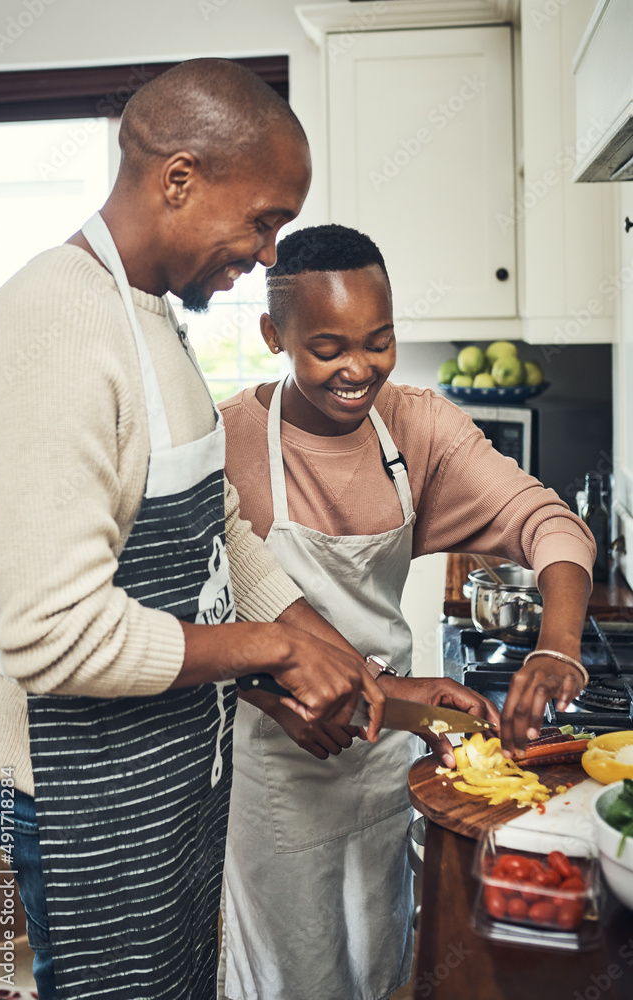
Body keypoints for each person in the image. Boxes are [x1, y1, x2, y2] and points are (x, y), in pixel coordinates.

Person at [0, 64, 392, 1000]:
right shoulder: (58, 327)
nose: (268, 251)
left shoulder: (153, 319)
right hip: (69, 817)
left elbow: (215, 534)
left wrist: (342, 664)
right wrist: (273, 648)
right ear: (179, 178)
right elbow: (53, 635)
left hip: (161, 787)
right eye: (263, 219)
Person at [218, 224, 596, 1000]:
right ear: (273, 335)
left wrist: (556, 647)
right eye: (328, 348)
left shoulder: (419, 427)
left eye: (379, 340)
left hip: (395, 751)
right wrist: (266, 695)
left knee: (380, 965)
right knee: (294, 980)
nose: (360, 369)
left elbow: (550, 524)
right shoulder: (228, 442)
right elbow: (199, 625)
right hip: (279, 762)